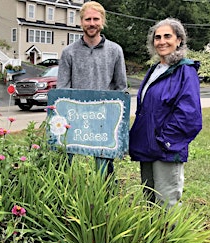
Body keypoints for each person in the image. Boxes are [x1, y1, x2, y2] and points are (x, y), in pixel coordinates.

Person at [129, 18, 202, 209]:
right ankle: (152, 239)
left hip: (166, 149)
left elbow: (190, 116)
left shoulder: (185, 70)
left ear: (178, 40)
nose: (162, 41)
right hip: (147, 147)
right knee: (149, 200)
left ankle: (168, 239)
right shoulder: (155, 69)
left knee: (166, 203)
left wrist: (165, 141)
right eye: (157, 37)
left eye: (167, 36)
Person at [56, 1, 127, 176]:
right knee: (65, 164)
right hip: (74, 118)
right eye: (88, 19)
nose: (92, 23)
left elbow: (120, 88)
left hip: (104, 118)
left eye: (96, 19)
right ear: (81, 22)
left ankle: (104, 197)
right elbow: (62, 89)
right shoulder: (69, 52)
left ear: (102, 21)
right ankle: (63, 194)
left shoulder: (115, 51)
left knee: (104, 168)